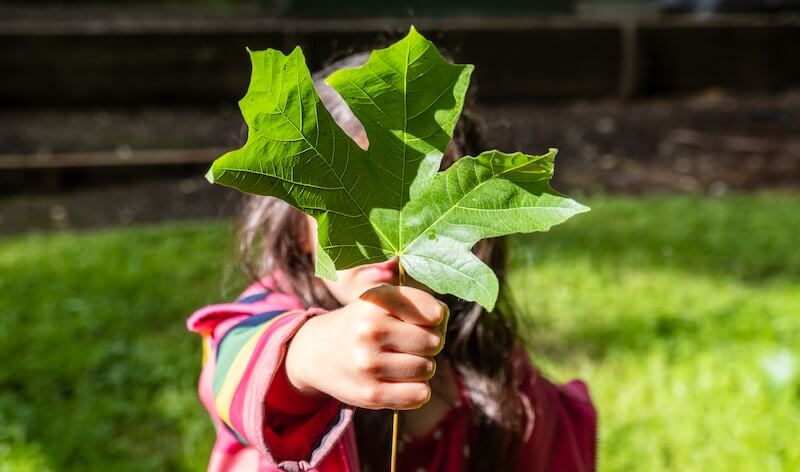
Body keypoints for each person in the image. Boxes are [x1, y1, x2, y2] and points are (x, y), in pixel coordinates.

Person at [187, 53, 597, 472]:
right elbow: (235, 369)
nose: (385, 238)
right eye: (353, 206)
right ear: (297, 229)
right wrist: (310, 355)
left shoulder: (493, 366)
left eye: (418, 204)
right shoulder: (266, 316)